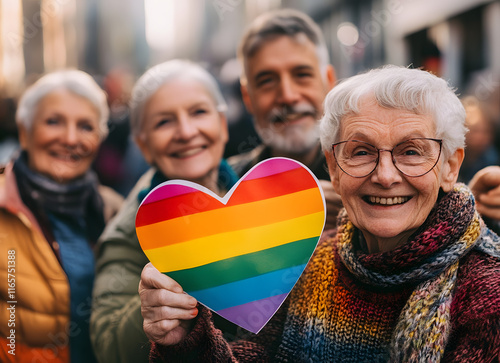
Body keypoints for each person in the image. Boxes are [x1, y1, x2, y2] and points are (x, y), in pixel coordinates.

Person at [139, 65, 500, 362]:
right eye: (360, 152)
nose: (386, 176)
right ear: (333, 166)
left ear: (451, 167)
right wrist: (186, 340)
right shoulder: (309, 260)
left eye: (411, 152)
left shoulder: (488, 290)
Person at [90, 60, 239, 363]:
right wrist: (151, 314)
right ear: (144, 146)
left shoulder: (267, 194)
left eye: (199, 112)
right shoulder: (127, 232)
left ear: (222, 126)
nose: (185, 132)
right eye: (163, 122)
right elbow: (108, 345)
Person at [0, 70, 123, 363]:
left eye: (85, 126)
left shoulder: (114, 210)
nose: (70, 138)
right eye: (54, 122)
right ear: (25, 131)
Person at [227, 8, 342, 229]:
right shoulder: (223, 187)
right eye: (267, 81)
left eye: (302, 75)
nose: (288, 96)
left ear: (329, 82)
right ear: (247, 97)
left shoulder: (370, 175)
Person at [458, 95, 500, 183]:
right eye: (475, 131)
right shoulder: (450, 156)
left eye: (486, 131)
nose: (480, 137)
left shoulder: (492, 160)